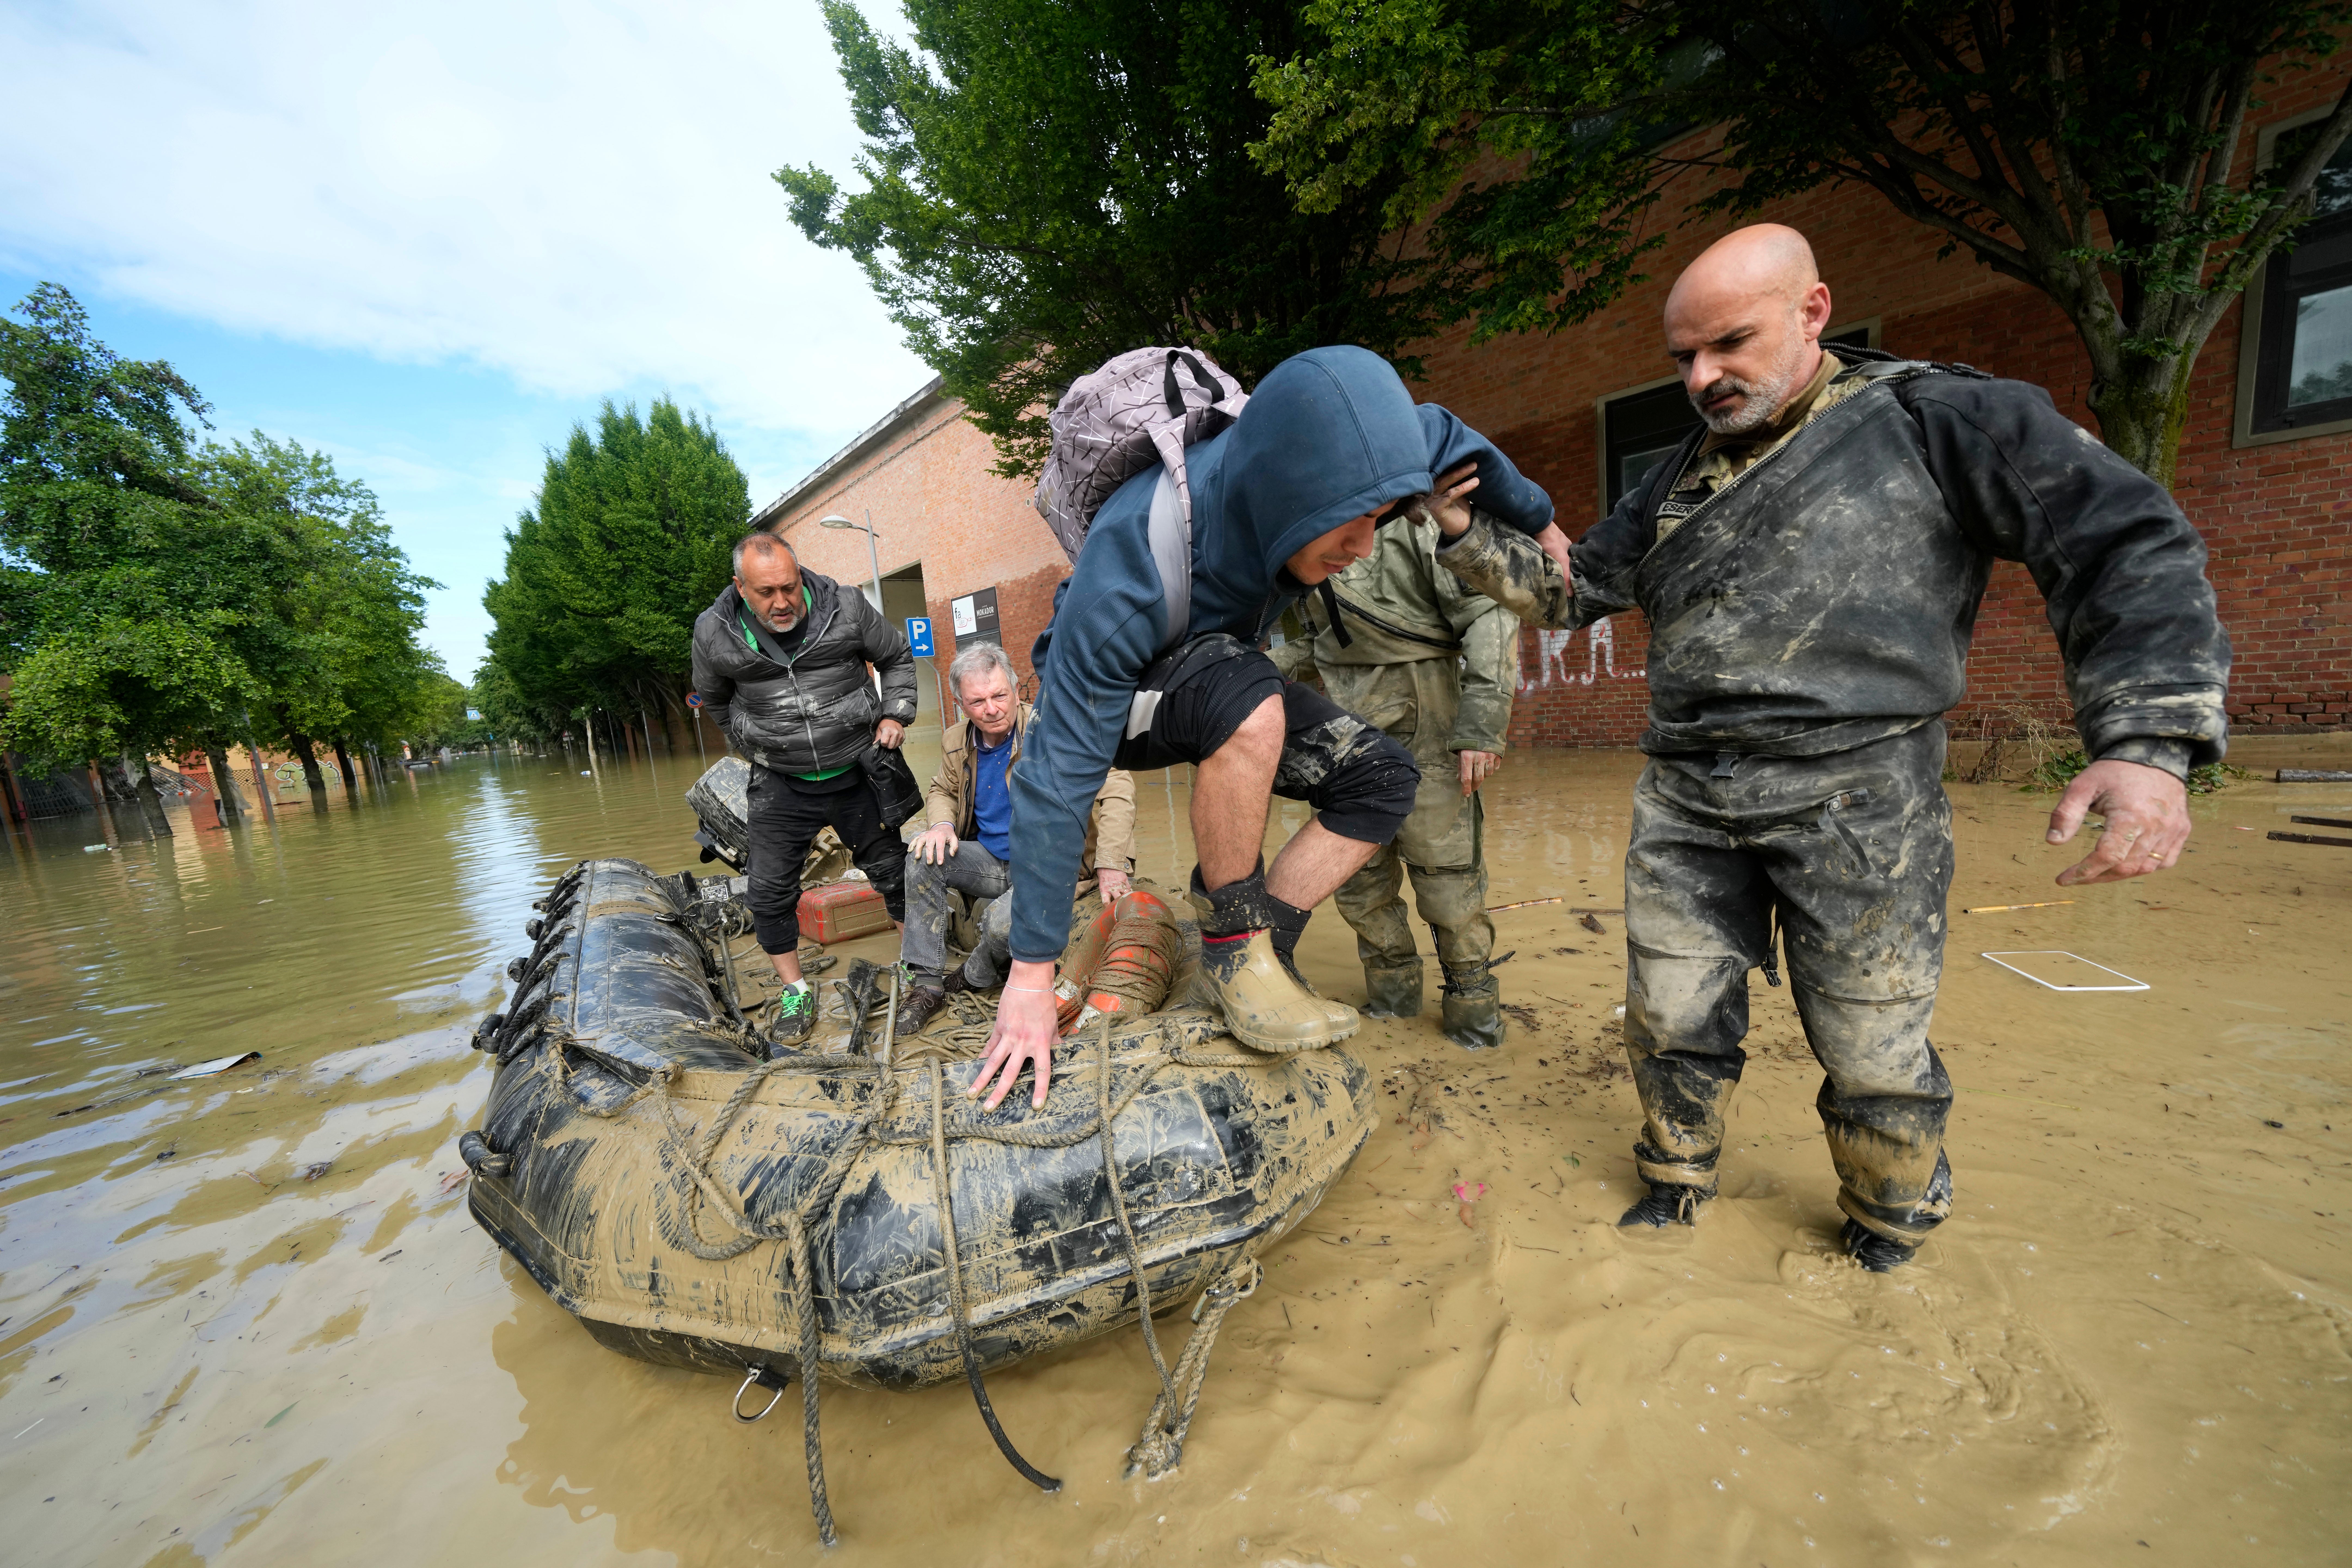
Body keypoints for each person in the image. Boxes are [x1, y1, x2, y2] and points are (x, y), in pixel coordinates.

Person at [1425, 223, 2230, 1270]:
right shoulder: (1679, 473)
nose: (1703, 378)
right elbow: (1577, 591)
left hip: (1863, 794)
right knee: (1667, 1012)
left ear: (1814, 312)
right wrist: (1459, 534)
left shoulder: (1939, 416)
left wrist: (2148, 741)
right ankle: (1675, 1176)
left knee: (1871, 1035)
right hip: (1688, 792)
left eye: (1730, 345)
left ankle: (1889, 1221)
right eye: (1683, 359)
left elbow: (2125, 540)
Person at [972, 344, 1554, 1110]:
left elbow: (1444, 433)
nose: (1364, 548)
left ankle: (1257, 953)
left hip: (1220, 673)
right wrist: (1031, 973)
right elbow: (1051, 784)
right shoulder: (1129, 573)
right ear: (1288, 495)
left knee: (1384, 780)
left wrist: (1542, 525)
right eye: (1349, 524)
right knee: (1246, 688)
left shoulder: (1344, 452)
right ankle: (1235, 945)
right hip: (1124, 705)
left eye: (1379, 520)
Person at [1270, 510, 1519, 1049]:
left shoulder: (1413, 521)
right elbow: (1308, 639)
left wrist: (1482, 723)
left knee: (1447, 880)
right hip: (1343, 733)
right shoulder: (1296, 536)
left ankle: (1474, 1016)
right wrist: (1239, 675)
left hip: (1429, 726)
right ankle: (1393, 1002)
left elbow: (1489, 610)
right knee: (1359, 883)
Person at [691, 531, 919, 1047]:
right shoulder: (714, 632)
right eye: (767, 592)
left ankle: (911, 967)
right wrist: (755, 743)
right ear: (740, 588)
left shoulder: (847, 606)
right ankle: (796, 990)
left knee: (894, 873)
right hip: (780, 783)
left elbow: (898, 658)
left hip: (859, 768)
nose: (782, 602)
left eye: (790, 588)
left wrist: (895, 713)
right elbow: (716, 702)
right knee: (769, 893)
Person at [895, 641, 1137, 1035]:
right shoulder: (957, 740)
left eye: (999, 696)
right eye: (977, 702)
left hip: (1048, 867)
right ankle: (927, 986)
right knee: (920, 859)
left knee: (998, 925)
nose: (991, 710)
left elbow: (1118, 786)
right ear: (960, 702)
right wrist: (940, 826)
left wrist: (1111, 861)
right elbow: (941, 790)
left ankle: (975, 975)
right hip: (992, 862)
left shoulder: (1054, 730)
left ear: (1014, 688)